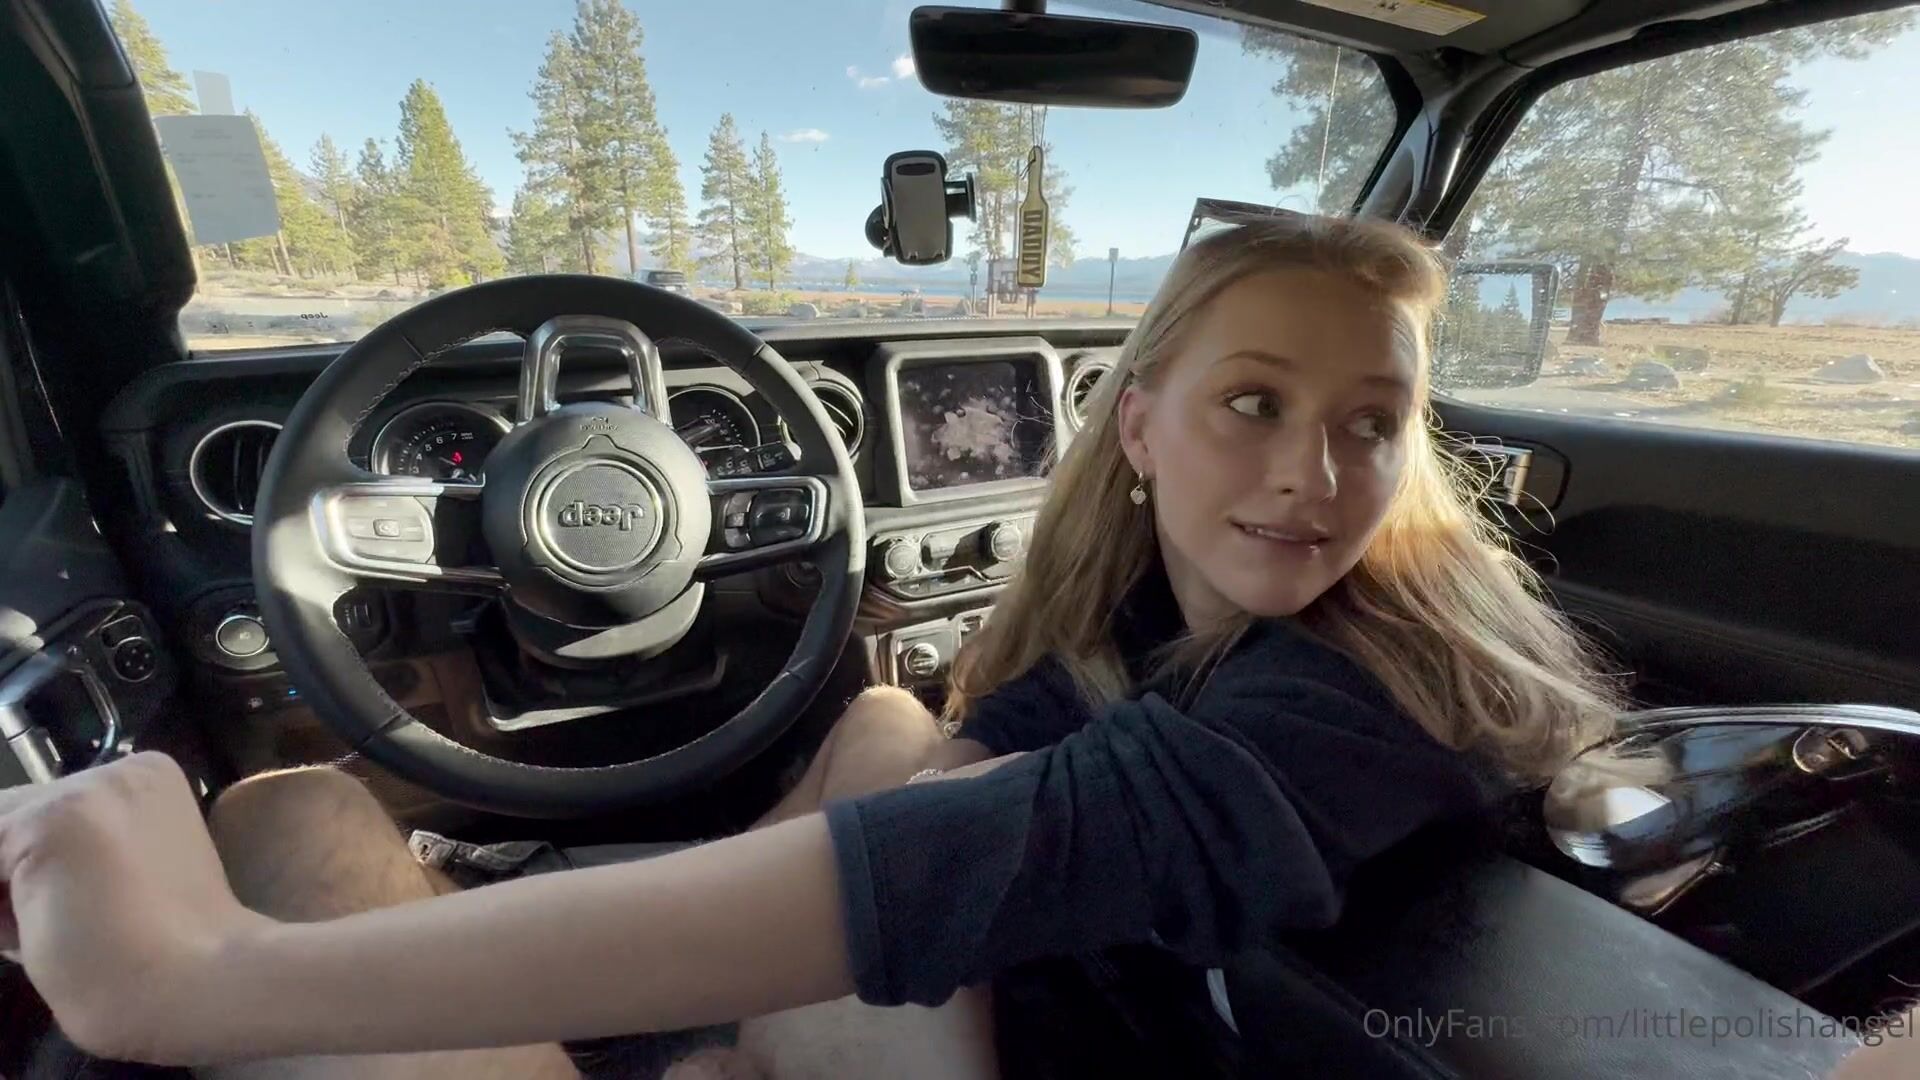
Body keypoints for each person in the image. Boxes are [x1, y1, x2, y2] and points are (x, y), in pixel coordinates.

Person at [0, 215, 1626, 1077]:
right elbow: (963, 776)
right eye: (1254, 403)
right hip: (1058, 1011)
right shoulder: (1160, 622)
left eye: (1372, 423)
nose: (1312, 475)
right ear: (1135, 427)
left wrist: (192, 984)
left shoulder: (1366, 686)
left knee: (287, 828)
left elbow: (935, 870)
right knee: (885, 732)